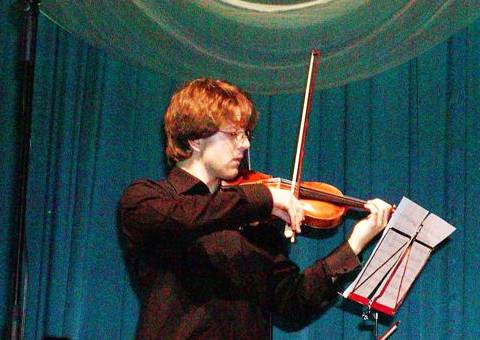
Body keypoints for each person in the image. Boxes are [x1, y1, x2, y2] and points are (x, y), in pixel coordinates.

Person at [119, 78, 392, 339]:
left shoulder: (254, 223)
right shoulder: (144, 200)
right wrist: (263, 198)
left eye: (246, 134)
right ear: (195, 139)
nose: (246, 144)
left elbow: (292, 304)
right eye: (234, 134)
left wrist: (354, 244)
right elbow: (184, 217)